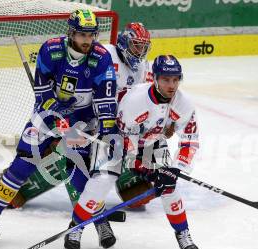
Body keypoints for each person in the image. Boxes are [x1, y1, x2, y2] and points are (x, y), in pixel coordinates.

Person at [0, 9, 118, 249]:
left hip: (83, 121)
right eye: (82, 34)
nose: (87, 40)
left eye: (91, 35)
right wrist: (60, 125)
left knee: (84, 177)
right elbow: (43, 94)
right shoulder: (51, 50)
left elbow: (106, 100)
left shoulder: (101, 57)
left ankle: (100, 221)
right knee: (22, 165)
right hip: (47, 117)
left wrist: (106, 130)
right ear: (71, 33)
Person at [8, 22, 153, 210]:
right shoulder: (104, 55)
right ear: (125, 42)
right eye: (136, 46)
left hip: (109, 121)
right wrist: (62, 122)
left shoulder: (142, 66)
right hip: (80, 116)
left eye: (143, 47)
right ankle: (22, 187)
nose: (140, 51)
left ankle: (130, 182)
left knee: (120, 147)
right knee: (69, 153)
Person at [100, 54, 201, 249]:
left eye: (175, 80)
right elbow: (127, 143)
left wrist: (175, 169)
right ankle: (98, 222)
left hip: (153, 142)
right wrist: (144, 168)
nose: (171, 85)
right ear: (154, 78)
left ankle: (183, 233)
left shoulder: (184, 104)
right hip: (117, 141)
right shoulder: (136, 101)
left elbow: (190, 141)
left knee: (169, 188)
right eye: (166, 79)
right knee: (100, 181)